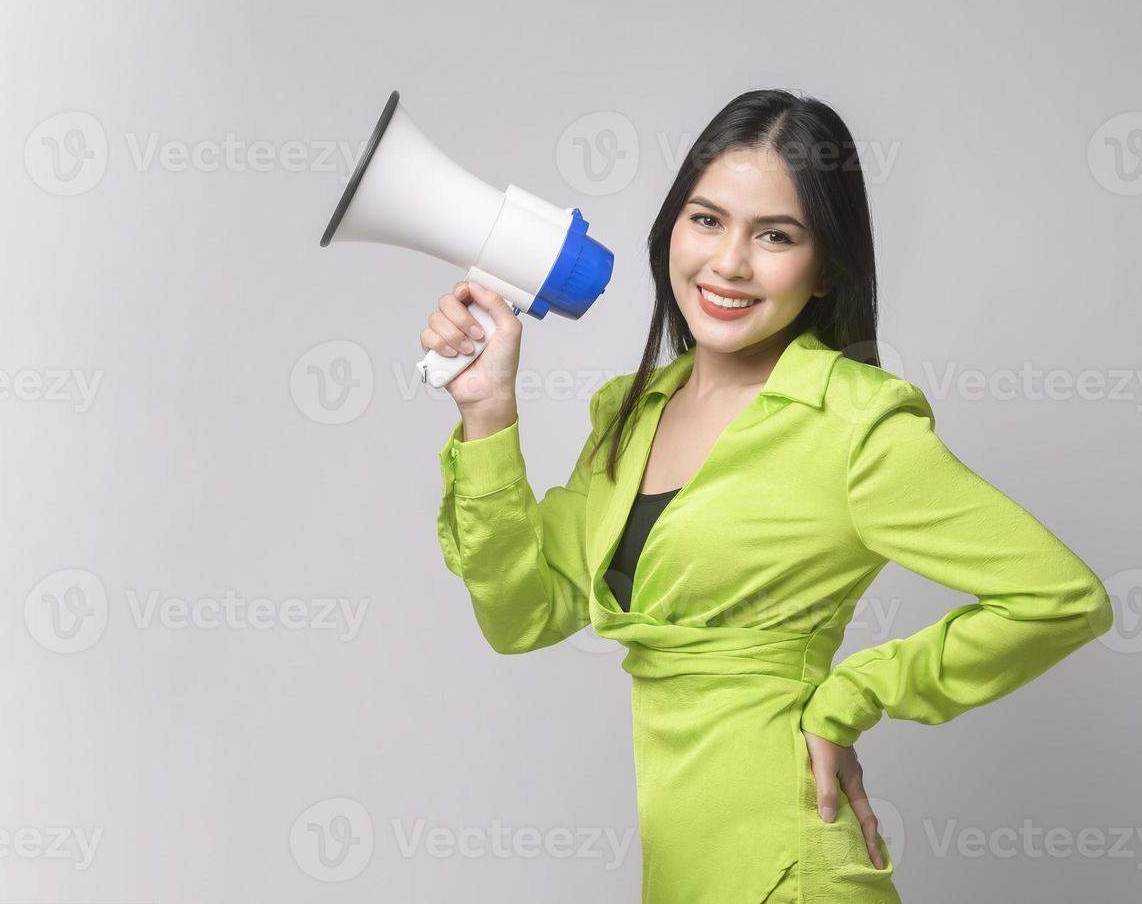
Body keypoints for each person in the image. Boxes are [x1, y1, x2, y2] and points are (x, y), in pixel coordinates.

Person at [425, 88, 1114, 903]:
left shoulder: (854, 423)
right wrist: (489, 414)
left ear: (825, 267)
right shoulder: (629, 411)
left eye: (775, 235)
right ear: (670, 229)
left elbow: (1062, 598)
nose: (729, 263)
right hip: (682, 865)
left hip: (791, 867)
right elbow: (523, 615)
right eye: (707, 219)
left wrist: (853, 695)